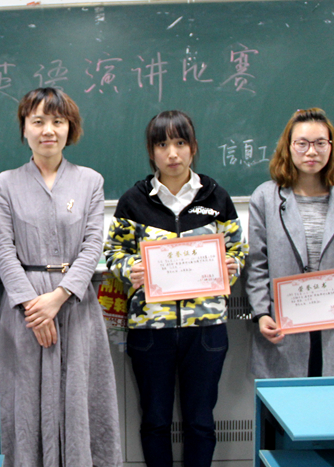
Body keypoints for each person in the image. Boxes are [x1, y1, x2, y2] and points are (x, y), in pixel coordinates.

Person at [104, 110, 247, 467]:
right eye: (162, 144)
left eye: (180, 143)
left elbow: (237, 249)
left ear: (193, 147)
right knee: (155, 420)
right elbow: (113, 251)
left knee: (200, 421)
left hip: (206, 328)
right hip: (151, 330)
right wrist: (129, 268)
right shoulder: (134, 200)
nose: (172, 153)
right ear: (151, 152)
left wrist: (232, 266)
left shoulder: (216, 197)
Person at [0, 87, 121, 466]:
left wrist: (58, 298)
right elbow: (4, 250)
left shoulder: (90, 181)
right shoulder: (6, 183)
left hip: (74, 306)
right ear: (24, 128)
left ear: (70, 128)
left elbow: (93, 246)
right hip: (24, 312)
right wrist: (35, 308)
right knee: (24, 400)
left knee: (80, 398)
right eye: (38, 121)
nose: (48, 130)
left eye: (58, 121)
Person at [246, 108, 334, 378]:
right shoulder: (265, 198)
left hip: (331, 320)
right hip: (283, 323)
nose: (311, 152)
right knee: (284, 399)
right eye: (302, 144)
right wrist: (261, 313)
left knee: (327, 396)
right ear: (289, 147)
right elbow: (257, 263)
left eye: (320, 143)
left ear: (331, 147)